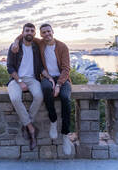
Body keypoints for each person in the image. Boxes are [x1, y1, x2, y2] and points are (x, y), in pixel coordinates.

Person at [12, 23, 73, 155]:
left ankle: (65, 134)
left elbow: (66, 69)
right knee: (45, 90)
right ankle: (53, 121)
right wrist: (16, 41)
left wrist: (58, 85)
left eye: (48, 31)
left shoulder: (62, 46)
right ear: (40, 35)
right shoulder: (40, 43)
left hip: (63, 78)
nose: (46, 34)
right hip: (47, 77)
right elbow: (24, 34)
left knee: (65, 98)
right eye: (44, 32)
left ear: (53, 32)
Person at [7, 23, 50, 150]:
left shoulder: (36, 47)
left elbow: (41, 66)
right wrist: (20, 81)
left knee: (39, 96)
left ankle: (27, 123)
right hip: (16, 79)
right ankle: (31, 128)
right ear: (23, 32)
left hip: (32, 79)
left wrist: (49, 77)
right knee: (15, 98)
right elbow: (9, 67)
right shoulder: (15, 47)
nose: (29, 33)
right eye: (27, 31)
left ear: (35, 33)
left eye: (32, 31)